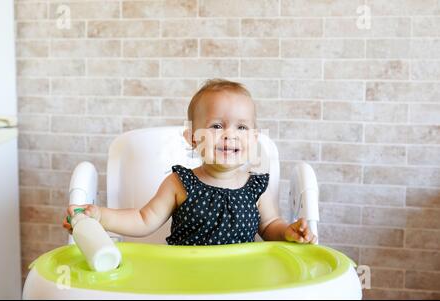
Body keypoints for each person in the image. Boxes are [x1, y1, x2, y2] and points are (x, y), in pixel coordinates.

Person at [63, 79, 317, 245]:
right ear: (193, 138)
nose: (230, 134)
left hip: (242, 282)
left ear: (253, 138)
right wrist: (100, 216)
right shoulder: (180, 183)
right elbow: (143, 220)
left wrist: (287, 232)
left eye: (241, 127)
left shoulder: (255, 188)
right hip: (184, 281)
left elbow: (270, 226)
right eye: (217, 126)